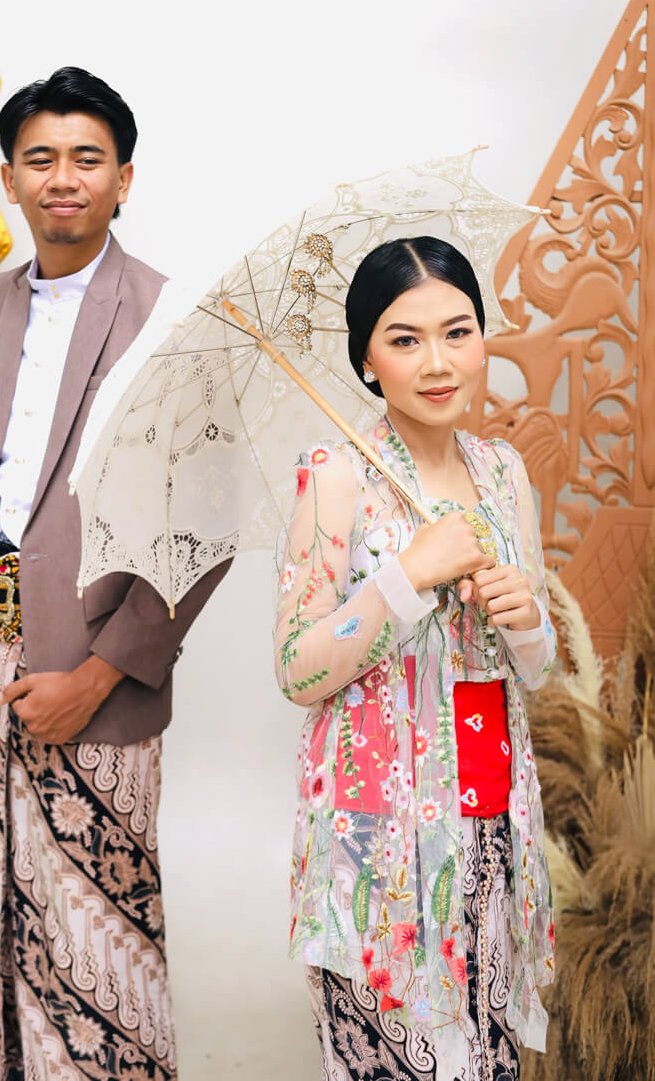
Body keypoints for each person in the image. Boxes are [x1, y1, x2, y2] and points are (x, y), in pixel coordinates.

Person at [0, 66, 230, 1081]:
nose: (62, 178)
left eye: (86, 159)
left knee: (99, 932)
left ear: (123, 179)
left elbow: (203, 525)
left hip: (95, 663)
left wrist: (98, 677)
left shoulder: (168, 317)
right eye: (40, 159)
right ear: (10, 179)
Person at [275, 237, 556, 1081]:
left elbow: (537, 668)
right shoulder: (334, 476)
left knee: (488, 1057)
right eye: (405, 339)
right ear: (367, 358)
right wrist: (405, 577)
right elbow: (296, 668)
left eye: (457, 332)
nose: (438, 363)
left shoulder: (504, 473)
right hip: (380, 833)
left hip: (494, 821)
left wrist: (525, 619)